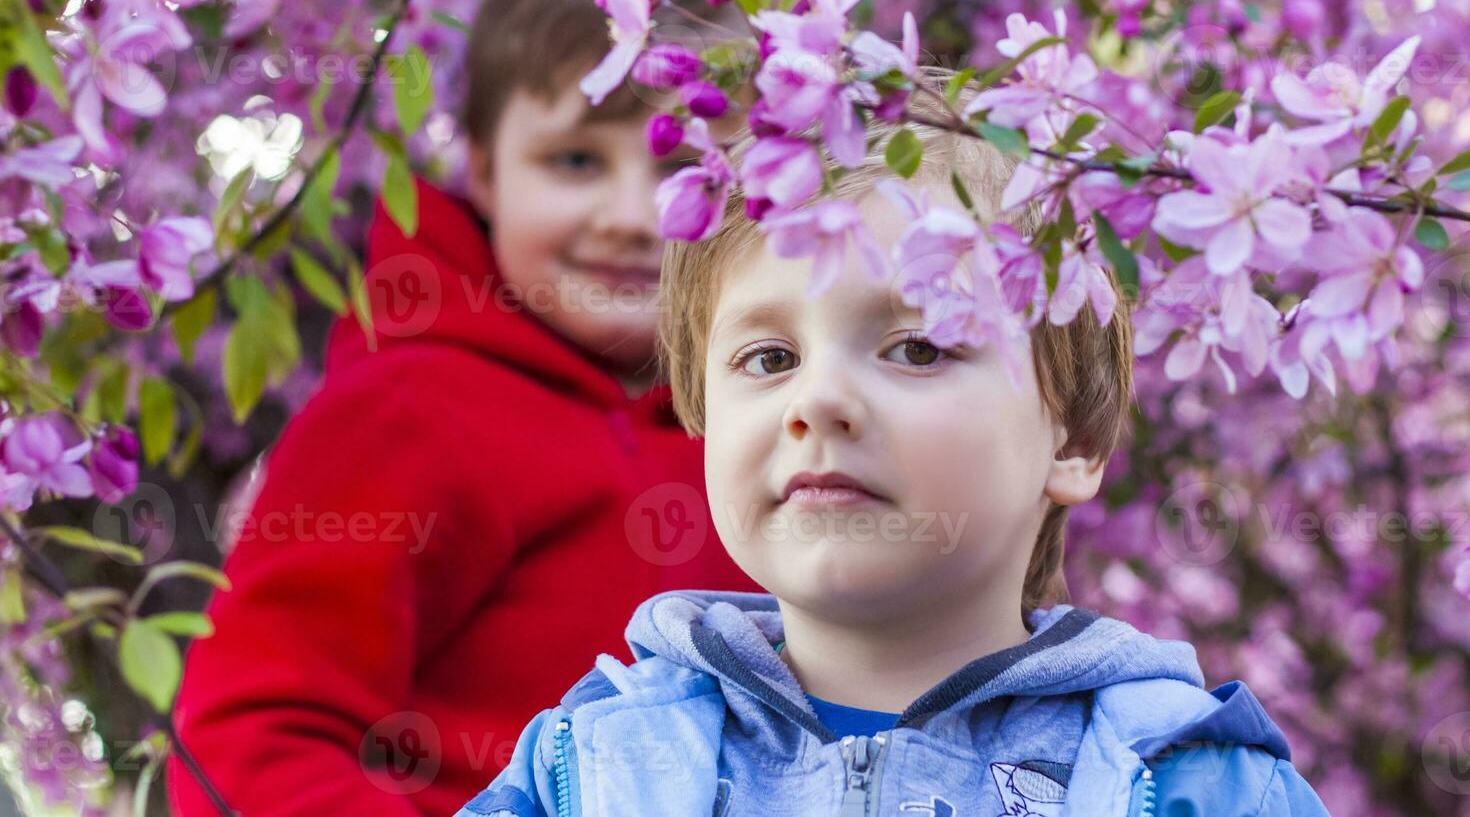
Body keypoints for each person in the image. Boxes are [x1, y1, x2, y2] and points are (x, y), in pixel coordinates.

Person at [453, 78, 1330, 816]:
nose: (820, 399)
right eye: (770, 359)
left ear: (1077, 440)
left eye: (916, 348)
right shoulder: (596, 766)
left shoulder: (1187, 777)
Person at [167, 0, 758, 816]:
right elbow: (252, 732)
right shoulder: (412, 407)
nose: (635, 217)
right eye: (572, 160)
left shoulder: (777, 420)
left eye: (681, 162)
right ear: (483, 169)